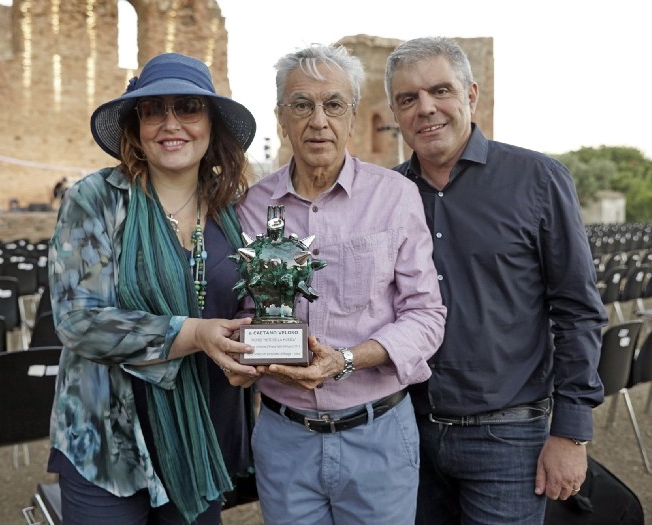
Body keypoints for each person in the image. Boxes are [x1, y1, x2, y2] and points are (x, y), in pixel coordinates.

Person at [384, 37, 607, 524]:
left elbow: (578, 310)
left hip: (508, 440)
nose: (425, 108)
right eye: (407, 99)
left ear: (471, 95)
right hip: (405, 435)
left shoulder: (538, 179)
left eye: (440, 90)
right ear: (396, 113)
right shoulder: (387, 195)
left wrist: (570, 433)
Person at [231, 43, 447, 524]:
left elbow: (427, 316)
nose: (318, 120)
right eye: (301, 105)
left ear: (352, 116)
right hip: (285, 440)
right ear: (281, 117)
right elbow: (245, 308)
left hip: (378, 436)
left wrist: (346, 360)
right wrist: (241, 354)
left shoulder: (395, 197)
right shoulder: (248, 206)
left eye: (333, 105)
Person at [46, 52, 261, 525]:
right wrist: (195, 334)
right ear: (136, 125)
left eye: (187, 106)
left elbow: (247, 302)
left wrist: (256, 349)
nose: (170, 123)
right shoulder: (96, 198)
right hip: (110, 441)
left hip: (200, 435)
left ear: (211, 123)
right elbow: (78, 320)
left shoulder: (231, 209)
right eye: (152, 109)